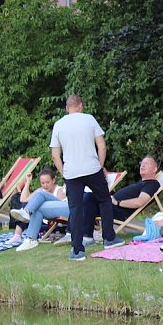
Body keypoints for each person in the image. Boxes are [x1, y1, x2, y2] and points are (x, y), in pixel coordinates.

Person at [50, 94, 123, 261]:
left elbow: (55, 155)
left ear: (67, 108)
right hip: (92, 168)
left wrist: (64, 172)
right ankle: (109, 238)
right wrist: (100, 165)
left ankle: (77, 250)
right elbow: (101, 146)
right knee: (104, 200)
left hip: (72, 173)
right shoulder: (89, 119)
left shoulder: (59, 124)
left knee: (75, 209)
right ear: (80, 106)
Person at [75, 155, 162, 247]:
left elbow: (139, 202)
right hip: (111, 205)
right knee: (86, 198)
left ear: (154, 169)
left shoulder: (152, 184)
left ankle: (85, 235)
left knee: (88, 198)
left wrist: (117, 203)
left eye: (146, 164)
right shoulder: (141, 183)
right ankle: (82, 234)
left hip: (119, 210)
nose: (142, 166)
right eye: (142, 163)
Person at [7, 167, 68, 251]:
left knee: (40, 197)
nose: (45, 185)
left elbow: (60, 208)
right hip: (44, 218)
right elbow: (23, 200)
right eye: (43, 183)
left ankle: (26, 214)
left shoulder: (59, 191)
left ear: (53, 180)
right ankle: (30, 239)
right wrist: (28, 182)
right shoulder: (41, 191)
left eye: (47, 182)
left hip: (61, 215)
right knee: (35, 204)